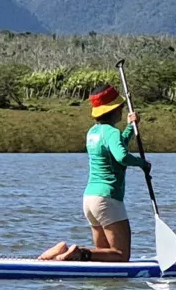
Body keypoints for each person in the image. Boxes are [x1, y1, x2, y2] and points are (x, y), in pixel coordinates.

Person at [39, 84, 150, 262]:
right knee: (121, 255)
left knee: (104, 255)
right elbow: (121, 156)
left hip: (90, 199)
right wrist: (142, 163)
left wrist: (131, 127)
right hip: (108, 199)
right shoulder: (111, 132)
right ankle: (77, 252)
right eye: (120, 108)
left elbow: (116, 144)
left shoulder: (93, 132)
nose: (122, 111)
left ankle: (62, 251)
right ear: (114, 110)